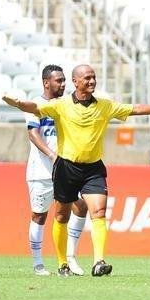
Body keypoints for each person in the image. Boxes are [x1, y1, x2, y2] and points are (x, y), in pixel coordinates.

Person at [2, 64, 150, 277]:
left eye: (94, 78)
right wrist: (17, 104)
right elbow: (34, 108)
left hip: (93, 168)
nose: (92, 81)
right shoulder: (60, 104)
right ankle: (63, 263)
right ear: (76, 81)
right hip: (66, 167)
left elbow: (134, 108)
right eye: (87, 78)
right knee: (61, 216)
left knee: (98, 212)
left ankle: (98, 261)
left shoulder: (104, 105)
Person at [24, 65, 90, 276]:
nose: (63, 84)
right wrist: (53, 157)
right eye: (58, 81)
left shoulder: (69, 104)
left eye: (64, 80)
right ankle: (38, 264)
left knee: (80, 206)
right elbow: (33, 134)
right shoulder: (37, 104)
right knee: (39, 216)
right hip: (41, 172)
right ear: (46, 82)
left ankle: (69, 258)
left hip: (67, 170)